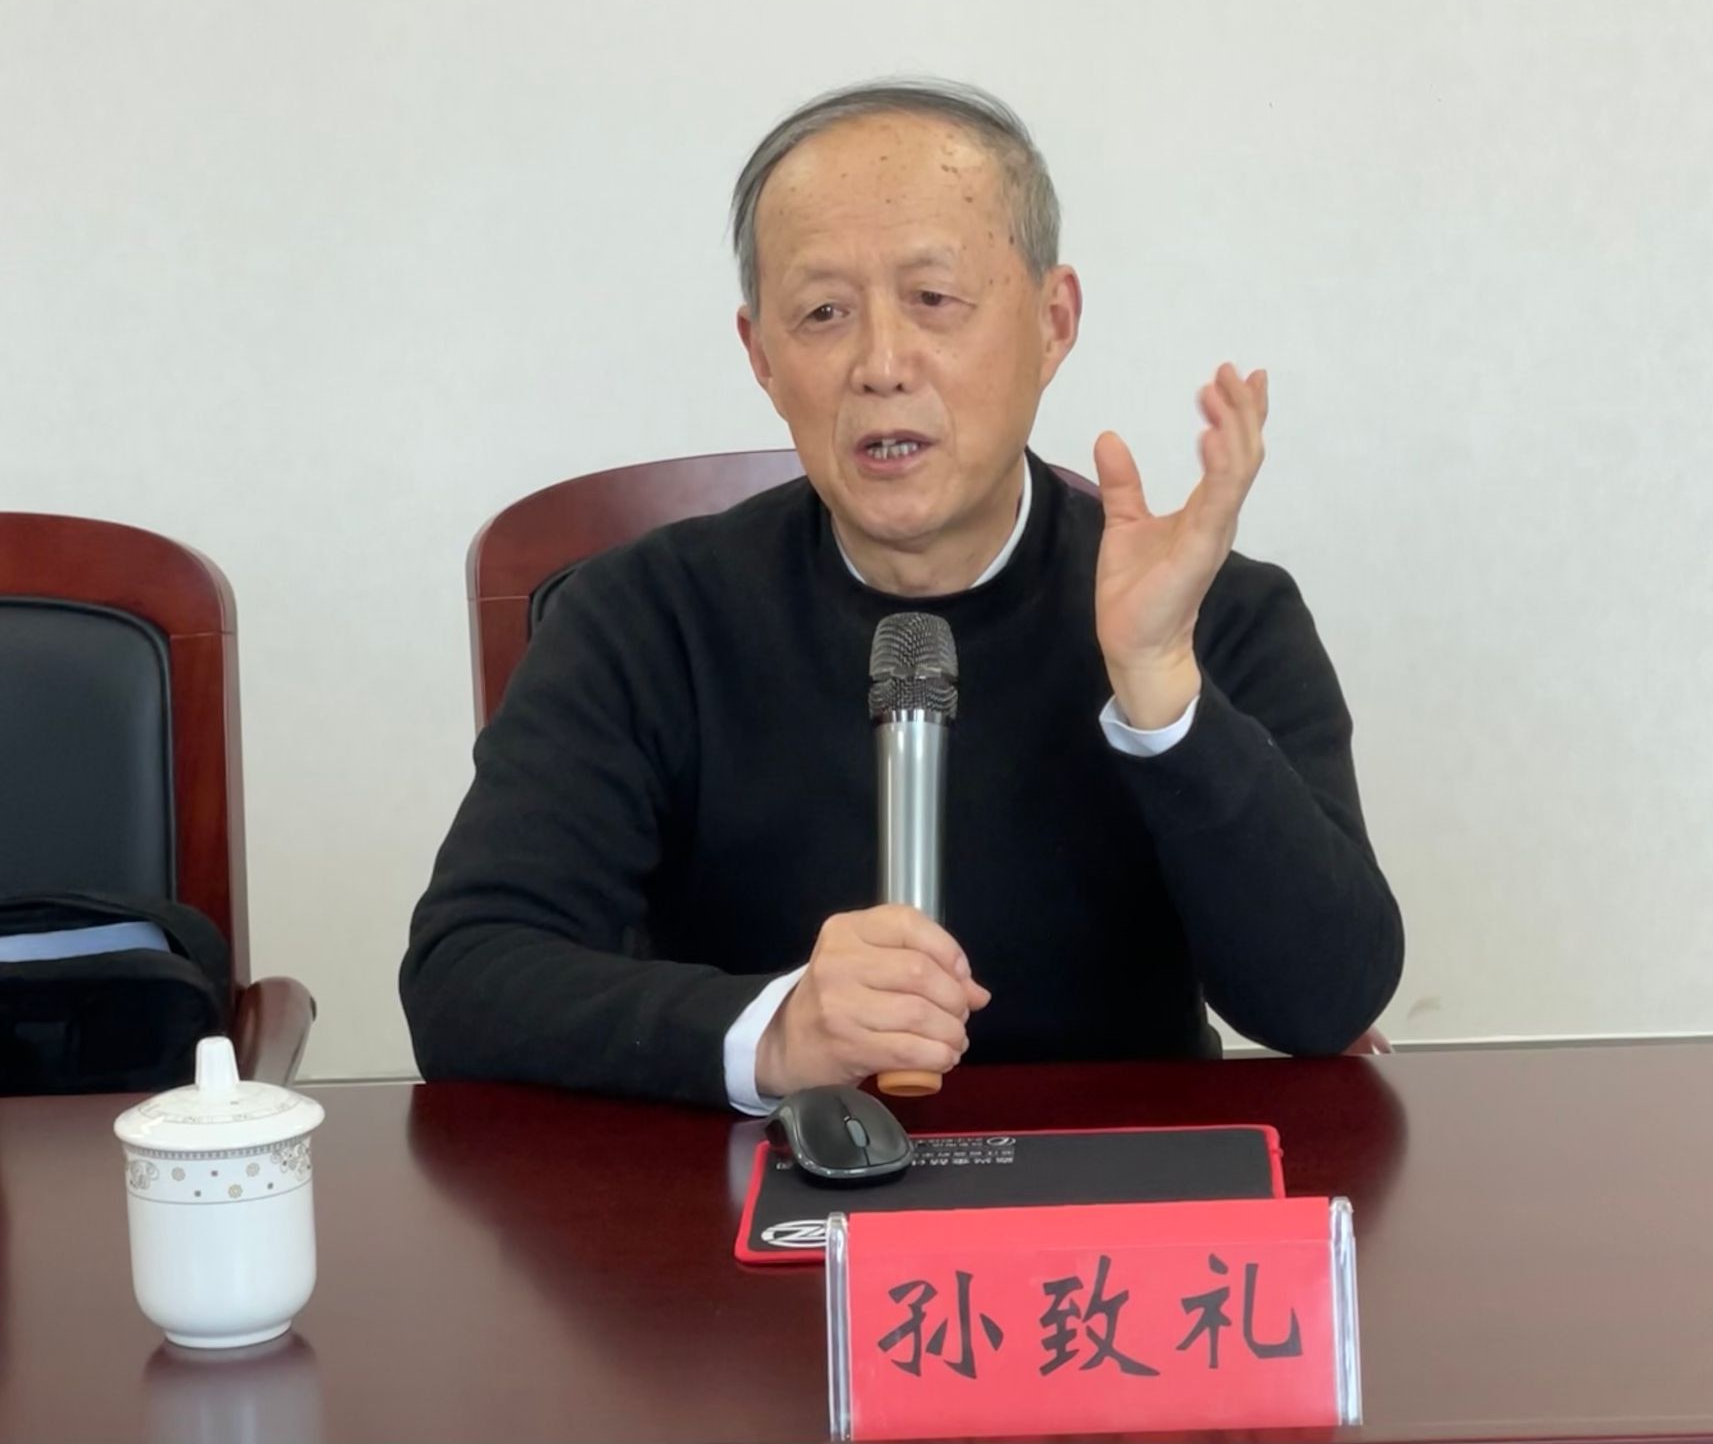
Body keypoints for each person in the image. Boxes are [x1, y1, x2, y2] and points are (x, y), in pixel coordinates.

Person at [400, 79, 1402, 1112]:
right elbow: (464, 978)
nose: (881, 365)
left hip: (1115, 1183)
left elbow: (1324, 1000)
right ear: (761, 355)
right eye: (823, 313)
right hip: (762, 1188)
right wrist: (772, 1033)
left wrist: (1162, 693)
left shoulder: (1216, 613)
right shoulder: (643, 619)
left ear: (1052, 321)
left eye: (933, 299)